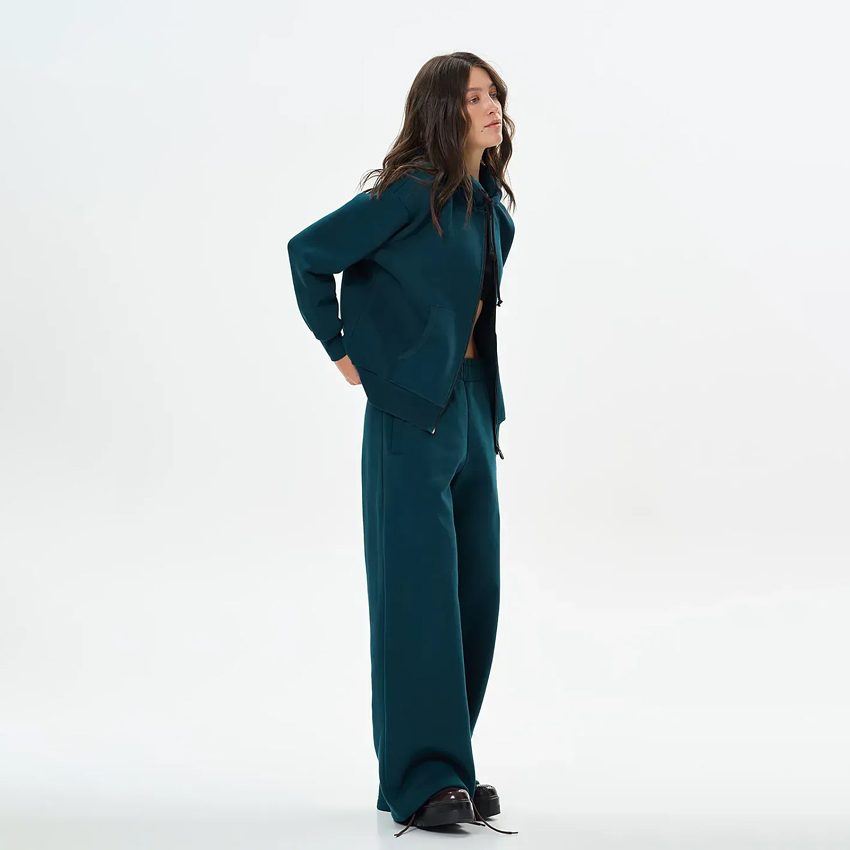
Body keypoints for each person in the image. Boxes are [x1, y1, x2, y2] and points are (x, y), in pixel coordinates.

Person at [287, 52, 518, 837]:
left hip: (475, 410)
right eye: (474, 97)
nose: (491, 107)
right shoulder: (409, 192)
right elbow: (309, 254)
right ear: (443, 111)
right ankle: (423, 779)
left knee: (473, 596)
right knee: (417, 598)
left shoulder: (490, 210)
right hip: (410, 417)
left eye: (495, 94)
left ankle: (449, 760)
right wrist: (343, 349)